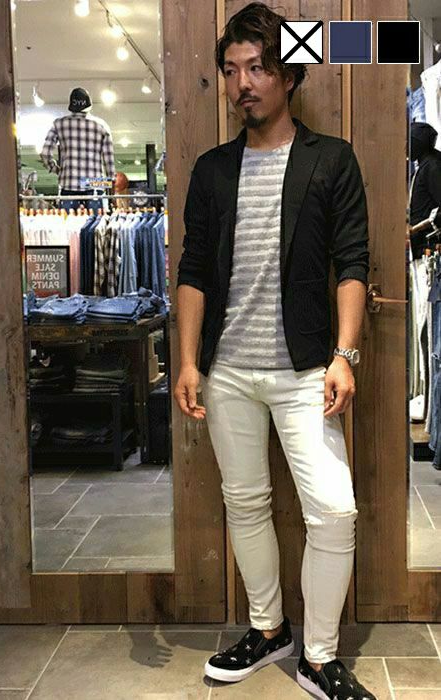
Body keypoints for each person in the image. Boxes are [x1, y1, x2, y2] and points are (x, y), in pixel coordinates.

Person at [174, 3, 375, 698]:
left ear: (288, 76)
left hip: (305, 369)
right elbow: (193, 269)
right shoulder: (212, 170)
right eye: (232, 71)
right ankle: (268, 630)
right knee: (246, 501)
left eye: (258, 68)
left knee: (334, 510)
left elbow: (353, 262)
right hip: (228, 371)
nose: (243, 84)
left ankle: (318, 656)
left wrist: (345, 354)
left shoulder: (331, 159)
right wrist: (188, 361)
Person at [40, 87, 115, 212]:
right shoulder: (101, 125)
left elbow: (45, 153)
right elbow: (109, 159)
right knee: (96, 222)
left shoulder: (58, 124)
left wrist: (57, 170)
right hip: (94, 183)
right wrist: (110, 181)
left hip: (68, 183)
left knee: (69, 223)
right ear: (89, 105)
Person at [409, 121, 441, 260]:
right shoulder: (425, 164)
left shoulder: (432, 166)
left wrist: (416, 228)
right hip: (421, 241)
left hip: (428, 243)